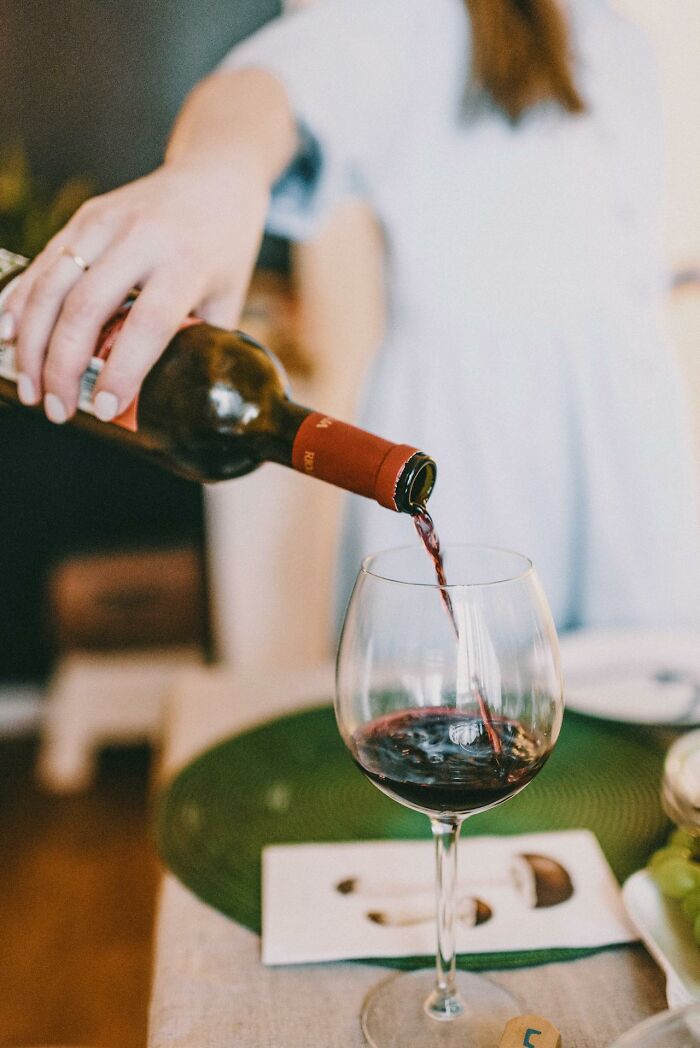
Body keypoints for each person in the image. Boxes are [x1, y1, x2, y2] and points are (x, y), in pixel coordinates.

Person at [1, 0, 698, 630]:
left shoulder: (622, 42)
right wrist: (218, 173)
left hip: (632, 440)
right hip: (476, 444)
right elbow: (269, 91)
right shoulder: (411, 21)